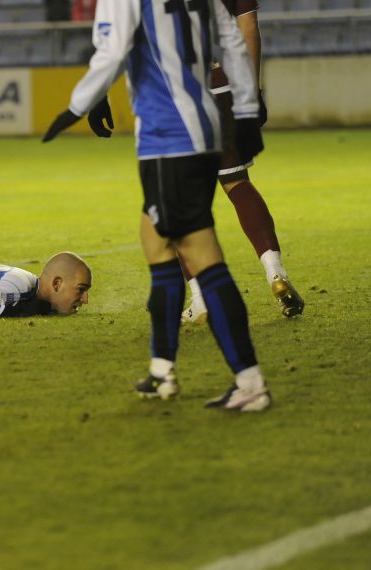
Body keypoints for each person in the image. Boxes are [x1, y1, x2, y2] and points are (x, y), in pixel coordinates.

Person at [42, 0, 271, 411]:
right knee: (156, 240)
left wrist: (81, 105)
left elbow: (111, 52)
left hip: (169, 141)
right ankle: (162, 369)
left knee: (201, 255)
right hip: (204, 130)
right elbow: (234, 41)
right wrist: (249, 111)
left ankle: (249, 382)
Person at [181, 0, 303, 323]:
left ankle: (200, 296)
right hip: (224, 85)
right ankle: (275, 272)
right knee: (237, 183)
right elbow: (249, 28)